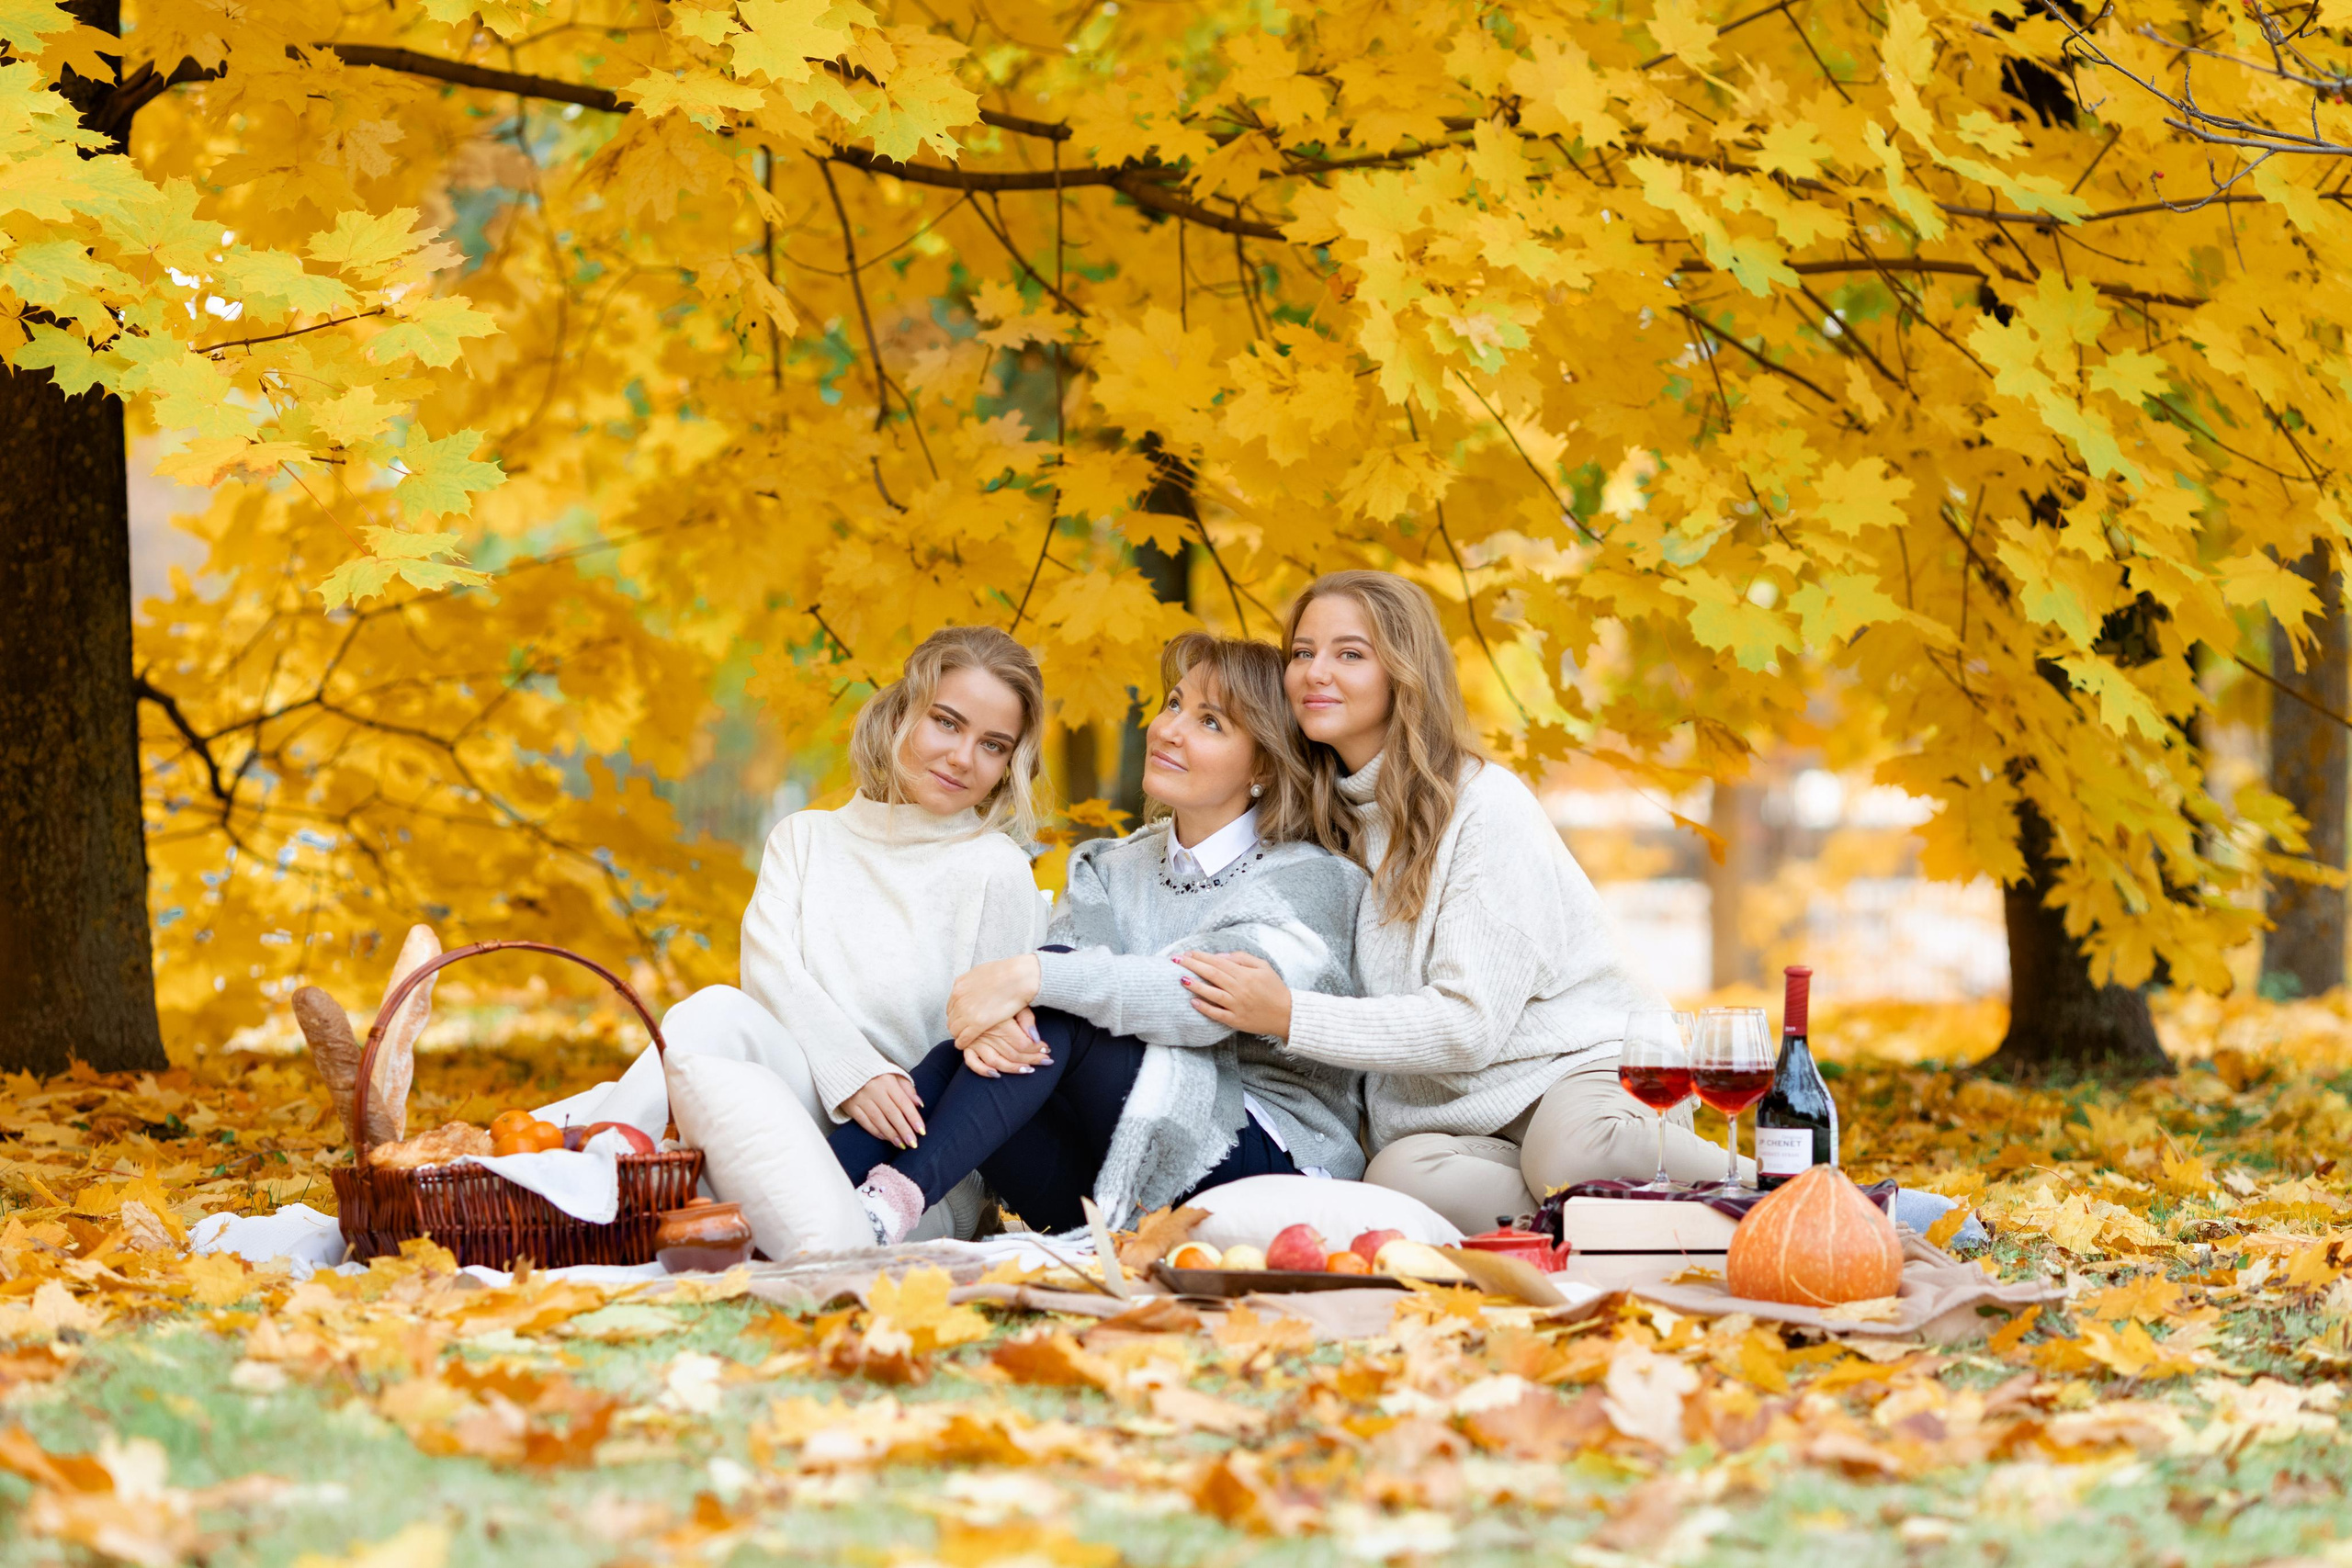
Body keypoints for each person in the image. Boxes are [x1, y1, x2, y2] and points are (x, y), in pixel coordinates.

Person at [1174, 570, 1745, 1234]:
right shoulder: (1321, 821)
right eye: (1302, 652)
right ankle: (1616, 1229)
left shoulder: (1483, 804)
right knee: (1397, 1181)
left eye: (1349, 653)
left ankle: (1798, 1190)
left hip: (1579, 1072)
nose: (1314, 672)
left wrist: (1288, 1014)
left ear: (1404, 672)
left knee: (1569, 1152)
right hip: (1454, 1116)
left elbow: (1469, 1024)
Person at [820, 631, 1369, 1243]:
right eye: (1174, 704)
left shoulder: (1311, 879)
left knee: (1060, 997)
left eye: (1210, 721)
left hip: (1256, 1158)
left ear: (1264, 763)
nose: (1169, 729)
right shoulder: (1107, 866)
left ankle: (887, 1205)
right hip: (1110, 1170)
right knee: (979, 1047)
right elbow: (1051, 1012)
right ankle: (807, 1202)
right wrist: (1017, 1006)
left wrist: (1036, 973)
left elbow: (1202, 1001)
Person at [549, 626, 1050, 1236]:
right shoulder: (805, 839)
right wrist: (855, 1073)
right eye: (946, 722)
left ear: (1009, 764)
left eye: (993, 745)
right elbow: (769, 979)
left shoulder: (997, 868)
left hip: (911, 1168)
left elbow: (992, 1058)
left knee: (797, 1222)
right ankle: (570, 1191)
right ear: (901, 714)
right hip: (792, 1112)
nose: (963, 757)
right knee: (711, 1012)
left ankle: (648, 1197)